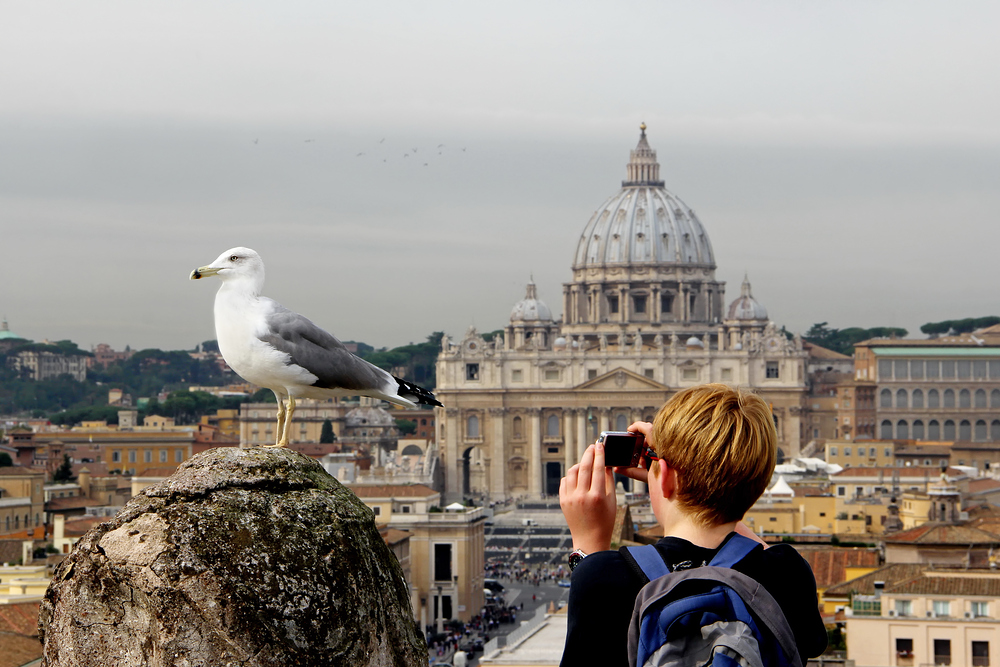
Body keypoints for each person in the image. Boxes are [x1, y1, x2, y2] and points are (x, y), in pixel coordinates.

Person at [559, 384, 827, 666]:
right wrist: (670, 474)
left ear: (663, 478)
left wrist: (587, 546)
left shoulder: (603, 577)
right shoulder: (788, 572)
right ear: (759, 485)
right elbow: (809, 642)